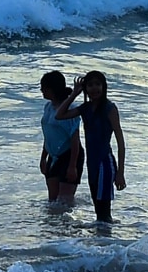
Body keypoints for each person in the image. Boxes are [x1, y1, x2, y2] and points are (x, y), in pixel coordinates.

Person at [55, 70, 126, 223]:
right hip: (92, 164)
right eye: (90, 85)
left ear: (104, 86)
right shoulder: (85, 108)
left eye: (97, 85)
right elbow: (59, 115)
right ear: (85, 88)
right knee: (98, 211)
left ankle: (107, 243)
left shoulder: (110, 108)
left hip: (104, 164)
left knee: (104, 213)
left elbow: (120, 141)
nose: (94, 89)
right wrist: (74, 93)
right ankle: (101, 243)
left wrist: (120, 173)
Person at [39, 71, 84, 207]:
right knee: (52, 202)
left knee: (64, 201)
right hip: (53, 155)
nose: (42, 90)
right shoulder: (48, 107)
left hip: (69, 155)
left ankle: (68, 227)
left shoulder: (69, 109)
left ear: (53, 89)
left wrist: (72, 166)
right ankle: (53, 228)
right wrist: (43, 158)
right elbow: (48, 135)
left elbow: (75, 140)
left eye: (44, 87)